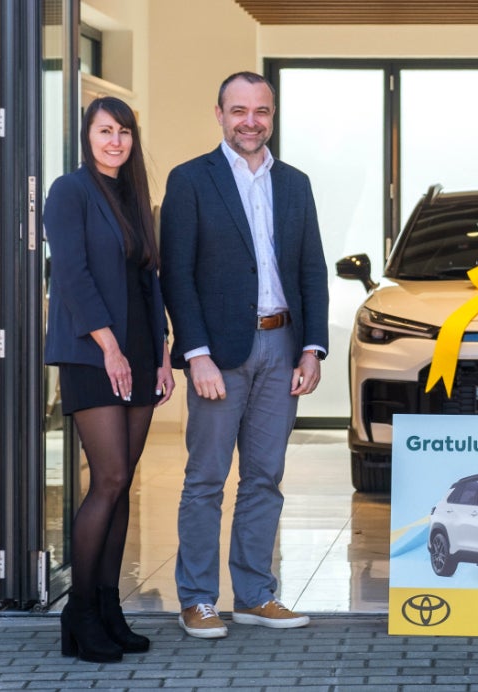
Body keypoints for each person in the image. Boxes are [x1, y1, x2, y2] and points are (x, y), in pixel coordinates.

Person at [159, 71, 329, 639]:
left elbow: (311, 269)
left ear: (272, 115)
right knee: (206, 479)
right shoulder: (190, 180)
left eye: (261, 111)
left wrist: (312, 347)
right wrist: (196, 354)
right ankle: (197, 599)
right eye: (239, 111)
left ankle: (255, 595)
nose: (250, 122)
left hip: (282, 345)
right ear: (220, 114)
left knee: (264, 477)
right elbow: (176, 274)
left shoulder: (296, 183)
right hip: (219, 352)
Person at [44, 96, 175, 662]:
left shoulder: (135, 196)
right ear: (87, 136)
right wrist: (110, 348)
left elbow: (150, 279)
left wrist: (162, 351)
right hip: (92, 351)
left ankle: (107, 606)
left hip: (140, 351)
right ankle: (78, 612)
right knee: (109, 477)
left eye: (123, 132)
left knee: (123, 484)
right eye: (105, 131)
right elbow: (71, 275)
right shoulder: (68, 191)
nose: (115, 141)